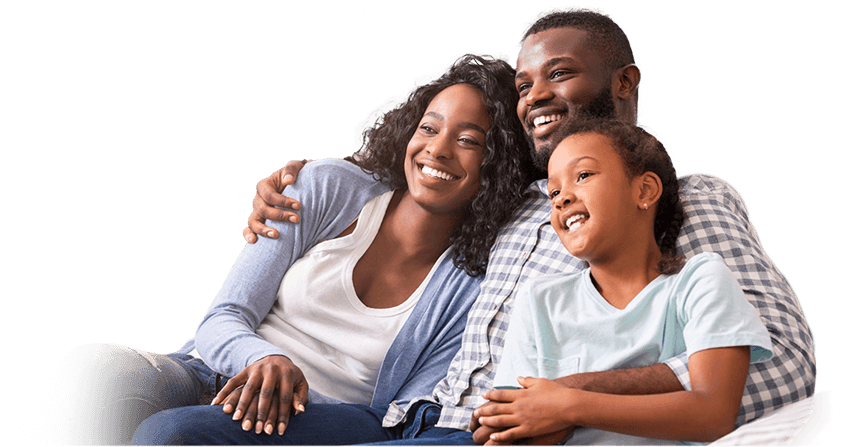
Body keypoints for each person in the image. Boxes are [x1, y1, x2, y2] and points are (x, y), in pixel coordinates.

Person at [235, 7, 815, 446]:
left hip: (502, 434)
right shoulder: (511, 198)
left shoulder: (685, 199)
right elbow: (426, 169)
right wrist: (308, 183)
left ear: (625, 83)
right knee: (182, 433)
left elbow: (782, 363)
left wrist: (572, 405)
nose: (535, 96)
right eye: (524, 85)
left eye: (558, 74)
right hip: (407, 415)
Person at [33, 53, 534, 446]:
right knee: (97, 368)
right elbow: (223, 318)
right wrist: (267, 358)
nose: (437, 150)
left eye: (469, 141)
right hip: (213, 372)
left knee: (170, 435)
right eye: (429, 127)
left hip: (313, 419)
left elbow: (402, 412)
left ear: (500, 164)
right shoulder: (327, 187)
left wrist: (289, 395)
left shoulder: (474, 280)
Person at [479, 118, 774, 445]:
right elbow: (501, 426)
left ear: (645, 190)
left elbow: (712, 415)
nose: (562, 199)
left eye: (583, 176)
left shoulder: (699, 281)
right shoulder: (539, 300)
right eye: (554, 191)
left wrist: (570, 404)